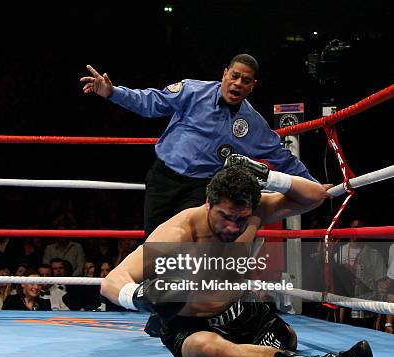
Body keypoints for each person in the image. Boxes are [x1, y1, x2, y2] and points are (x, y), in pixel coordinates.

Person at [100, 155, 374, 357]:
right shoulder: (178, 233)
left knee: (288, 338)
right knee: (205, 349)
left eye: (240, 219)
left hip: (240, 310)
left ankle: (262, 356)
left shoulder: (256, 212)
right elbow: (112, 281)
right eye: (225, 216)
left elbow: (316, 196)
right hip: (190, 324)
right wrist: (139, 297)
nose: (232, 227)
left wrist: (269, 177)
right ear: (209, 203)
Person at [80, 54, 317, 236]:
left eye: (245, 80)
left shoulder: (252, 123)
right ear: (224, 74)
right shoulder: (193, 90)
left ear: (252, 85)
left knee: (188, 240)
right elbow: (150, 102)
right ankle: (157, 298)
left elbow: (282, 158)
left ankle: (188, 298)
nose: (237, 83)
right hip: (163, 179)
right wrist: (112, 92)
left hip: (201, 187)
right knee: (155, 242)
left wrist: (317, 188)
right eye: (234, 76)